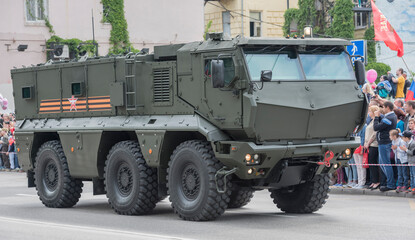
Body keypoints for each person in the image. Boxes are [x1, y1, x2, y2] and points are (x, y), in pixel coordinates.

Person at [373, 101, 397, 191]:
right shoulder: (390, 116)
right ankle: (390, 181)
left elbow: (376, 127)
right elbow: (384, 122)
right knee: (382, 163)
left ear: (387, 107)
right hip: (383, 142)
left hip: (384, 142)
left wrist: (376, 117)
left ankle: (391, 184)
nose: (382, 109)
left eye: (383, 107)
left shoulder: (390, 117)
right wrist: (380, 116)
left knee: (386, 164)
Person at [364, 106, 380, 190]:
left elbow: (374, 134)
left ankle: (376, 181)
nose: (369, 113)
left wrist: (368, 143)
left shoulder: (375, 121)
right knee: (370, 163)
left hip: (373, 144)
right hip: (369, 144)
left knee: (372, 162)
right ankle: (373, 181)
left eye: (370, 111)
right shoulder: (371, 121)